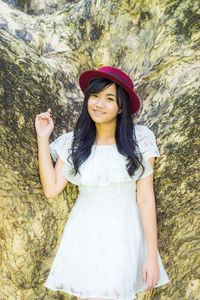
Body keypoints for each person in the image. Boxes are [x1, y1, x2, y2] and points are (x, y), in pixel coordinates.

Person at [35, 66, 170, 300]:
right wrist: (43, 137)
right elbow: (51, 188)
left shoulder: (140, 139)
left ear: (121, 107)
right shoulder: (74, 143)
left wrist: (150, 255)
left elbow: (146, 198)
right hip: (84, 232)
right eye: (95, 96)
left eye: (109, 98)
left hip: (124, 231)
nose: (99, 104)